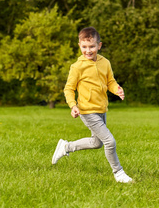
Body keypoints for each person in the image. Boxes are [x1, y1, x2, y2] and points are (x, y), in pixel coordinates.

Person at [52, 27, 133, 183]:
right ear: (79, 46)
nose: (88, 50)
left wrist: (117, 90)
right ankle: (119, 173)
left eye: (92, 46)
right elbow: (69, 88)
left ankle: (66, 147)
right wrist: (72, 105)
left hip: (101, 109)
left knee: (97, 143)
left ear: (99, 45)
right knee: (110, 141)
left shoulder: (105, 63)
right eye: (84, 47)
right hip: (87, 110)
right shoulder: (77, 67)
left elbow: (110, 82)